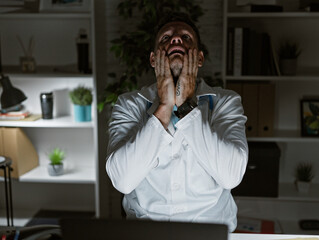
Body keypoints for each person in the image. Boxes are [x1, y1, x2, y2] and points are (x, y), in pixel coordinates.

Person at [106, 12, 248, 232]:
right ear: (153, 59)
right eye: (166, 38)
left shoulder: (226, 102)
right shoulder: (128, 104)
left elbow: (231, 176)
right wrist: (164, 106)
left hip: (211, 233)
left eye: (186, 37)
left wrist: (184, 106)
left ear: (199, 58)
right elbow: (123, 180)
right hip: (145, 233)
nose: (176, 39)